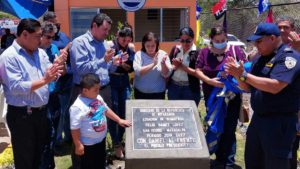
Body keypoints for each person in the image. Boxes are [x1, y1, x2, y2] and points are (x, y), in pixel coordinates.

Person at [225, 22, 300, 169]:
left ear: (272, 38)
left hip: (279, 123)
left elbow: (275, 86)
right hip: (258, 121)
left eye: (259, 41)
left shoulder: (289, 58)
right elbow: (247, 87)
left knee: (275, 164)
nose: (256, 45)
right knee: (253, 161)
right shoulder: (260, 58)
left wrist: (243, 75)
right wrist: (238, 75)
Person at [0, 18, 66, 169]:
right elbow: (17, 87)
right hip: (22, 116)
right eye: (38, 36)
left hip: (42, 113)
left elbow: (50, 73)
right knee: (25, 160)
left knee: (42, 156)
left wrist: (57, 67)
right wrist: (45, 79)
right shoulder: (9, 56)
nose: (41, 39)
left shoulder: (40, 53)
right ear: (24, 34)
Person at [70, 13, 120, 168]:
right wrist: (102, 60)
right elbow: (81, 69)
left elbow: (107, 68)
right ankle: (80, 163)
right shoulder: (79, 43)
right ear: (94, 26)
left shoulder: (105, 44)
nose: (106, 33)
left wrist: (115, 63)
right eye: (104, 29)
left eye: (108, 30)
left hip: (103, 90)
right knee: (82, 129)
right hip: (84, 92)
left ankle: (99, 161)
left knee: (99, 126)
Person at [195, 26, 247, 169]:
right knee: (215, 127)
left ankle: (228, 162)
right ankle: (218, 159)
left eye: (223, 40)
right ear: (211, 40)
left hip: (231, 98)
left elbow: (244, 68)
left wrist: (233, 69)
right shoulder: (204, 52)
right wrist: (209, 81)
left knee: (229, 129)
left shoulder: (236, 51)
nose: (220, 42)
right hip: (212, 98)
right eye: (217, 40)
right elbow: (198, 70)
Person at [70, 73, 131, 169]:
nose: (98, 92)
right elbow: (74, 128)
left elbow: (105, 109)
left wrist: (119, 120)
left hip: (100, 141)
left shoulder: (97, 97)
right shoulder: (77, 107)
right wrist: (78, 145)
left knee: (99, 164)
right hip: (87, 146)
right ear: (85, 90)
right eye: (95, 90)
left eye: (99, 88)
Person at [39, 21, 68, 169]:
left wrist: (62, 67)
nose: (50, 40)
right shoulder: (35, 51)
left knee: (55, 128)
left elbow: (62, 71)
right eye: (48, 37)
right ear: (40, 35)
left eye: (53, 37)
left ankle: (50, 160)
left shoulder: (55, 47)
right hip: (41, 98)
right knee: (45, 133)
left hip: (54, 93)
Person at [43, 11, 73, 146]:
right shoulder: (39, 47)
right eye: (54, 23)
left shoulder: (59, 41)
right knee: (51, 120)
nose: (50, 39)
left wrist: (64, 65)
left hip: (61, 85)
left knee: (63, 113)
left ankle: (63, 138)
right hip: (47, 90)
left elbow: (63, 62)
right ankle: (55, 142)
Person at [107, 24, 135, 159]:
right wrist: (116, 62)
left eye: (129, 40)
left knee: (125, 111)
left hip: (124, 81)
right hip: (112, 81)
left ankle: (120, 139)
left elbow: (130, 68)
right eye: (124, 40)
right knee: (114, 110)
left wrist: (122, 63)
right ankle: (116, 144)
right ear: (118, 36)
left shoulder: (130, 49)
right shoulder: (110, 47)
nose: (126, 43)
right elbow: (106, 65)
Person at [276, 16, 300, 169]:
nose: (282, 30)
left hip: (296, 105)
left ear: (293, 30)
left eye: (286, 27)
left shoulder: (298, 46)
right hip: (277, 106)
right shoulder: (273, 47)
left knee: (293, 143)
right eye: (279, 27)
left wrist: (297, 47)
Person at [133, 32, 172, 99]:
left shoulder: (163, 54)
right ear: (143, 45)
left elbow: (167, 74)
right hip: (140, 93)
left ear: (157, 45)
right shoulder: (139, 54)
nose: (150, 48)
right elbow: (138, 71)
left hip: (158, 94)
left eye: (153, 46)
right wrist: (153, 64)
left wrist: (163, 64)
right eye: (147, 46)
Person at [168, 27, 200, 106]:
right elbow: (170, 65)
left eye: (188, 40)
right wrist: (174, 65)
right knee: (173, 113)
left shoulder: (197, 52)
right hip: (174, 87)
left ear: (193, 38)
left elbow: (199, 73)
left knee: (188, 115)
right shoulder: (175, 49)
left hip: (189, 89)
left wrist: (181, 66)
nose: (185, 43)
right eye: (182, 40)